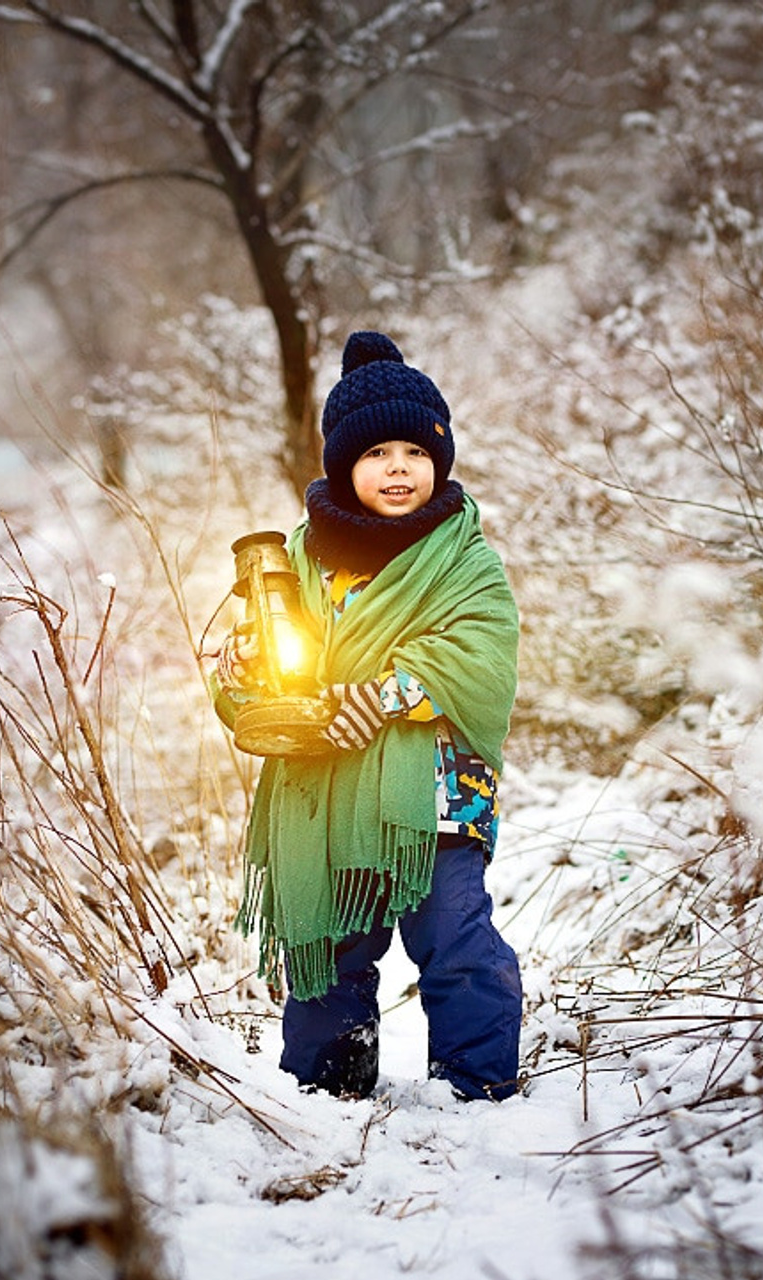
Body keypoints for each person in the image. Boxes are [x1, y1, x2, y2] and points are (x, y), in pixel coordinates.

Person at [210, 330, 523, 1102]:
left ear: (439, 462)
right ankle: (326, 1094)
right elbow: (253, 672)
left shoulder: (462, 556)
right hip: (328, 786)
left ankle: (479, 1089)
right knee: (330, 946)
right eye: (378, 453)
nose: (398, 469)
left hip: (438, 794)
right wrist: (250, 674)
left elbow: (482, 656)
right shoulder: (296, 560)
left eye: (416, 454)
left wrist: (382, 696)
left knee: (455, 935)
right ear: (344, 464)